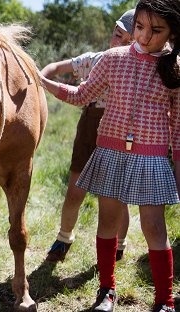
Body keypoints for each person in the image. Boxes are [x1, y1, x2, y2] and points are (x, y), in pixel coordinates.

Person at [39, 0, 180, 310]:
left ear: (172, 32)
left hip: (152, 159)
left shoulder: (175, 68)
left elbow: (177, 126)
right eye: (140, 27)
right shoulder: (113, 59)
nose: (144, 37)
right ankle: (106, 290)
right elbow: (81, 95)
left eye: (156, 31)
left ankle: (165, 301)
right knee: (108, 223)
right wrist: (45, 82)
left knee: (155, 228)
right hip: (110, 151)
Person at [43, 9, 135, 263]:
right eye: (117, 35)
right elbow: (56, 67)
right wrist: (41, 77)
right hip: (89, 125)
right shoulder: (94, 60)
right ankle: (63, 239)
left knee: (119, 195)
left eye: (128, 41)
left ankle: (119, 245)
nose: (119, 43)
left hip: (120, 128)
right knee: (75, 188)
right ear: (112, 33)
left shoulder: (137, 69)